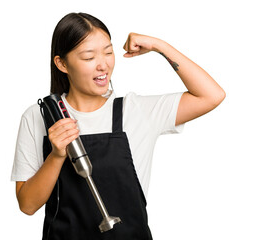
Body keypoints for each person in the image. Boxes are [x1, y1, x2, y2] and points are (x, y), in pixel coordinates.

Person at [11, 12, 225, 240]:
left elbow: (211, 95)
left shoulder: (136, 111)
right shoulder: (39, 116)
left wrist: (159, 46)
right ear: (62, 63)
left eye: (108, 52)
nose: (103, 65)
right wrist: (56, 156)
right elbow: (27, 205)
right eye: (88, 57)